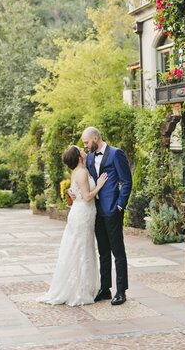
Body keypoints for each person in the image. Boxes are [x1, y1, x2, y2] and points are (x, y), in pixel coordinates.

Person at [36, 145, 107, 306]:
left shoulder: (78, 170)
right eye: (80, 149)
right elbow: (88, 197)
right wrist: (100, 185)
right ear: (79, 156)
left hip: (82, 213)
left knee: (81, 247)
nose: (83, 149)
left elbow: (77, 190)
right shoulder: (81, 172)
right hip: (83, 213)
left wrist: (71, 190)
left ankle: (82, 287)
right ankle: (79, 290)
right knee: (81, 248)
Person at [82, 126, 132, 306]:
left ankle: (121, 291)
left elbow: (127, 181)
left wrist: (120, 205)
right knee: (103, 250)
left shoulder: (116, 154)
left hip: (112, 210)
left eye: (87, 142)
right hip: (95, 210)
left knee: (117, 251)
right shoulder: (88, 157)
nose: (86, 146)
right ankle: (105, 289)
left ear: (96, 138)